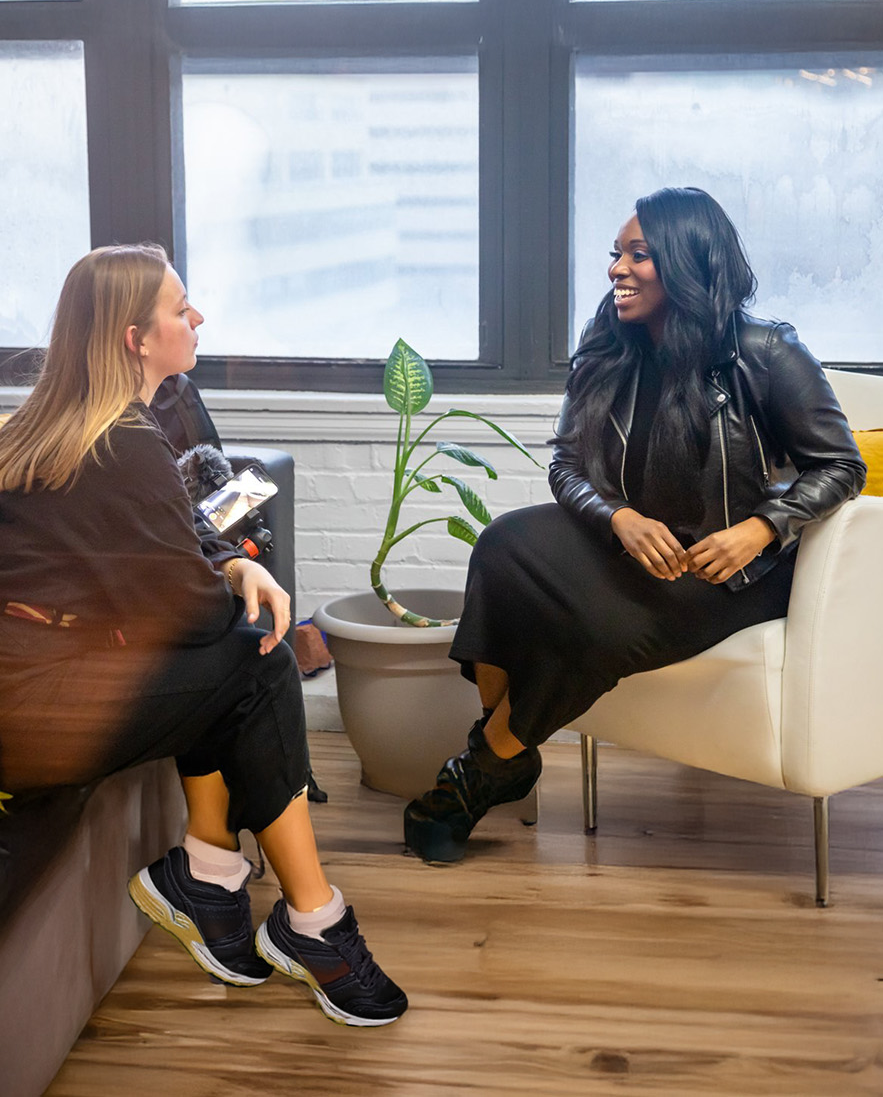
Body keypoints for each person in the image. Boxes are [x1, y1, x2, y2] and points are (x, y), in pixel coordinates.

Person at [0, 243, 406, 1027]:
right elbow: (190, 616)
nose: (198, 318)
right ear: (135, 338)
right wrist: (249, 597)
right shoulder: (119, 442)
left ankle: (216, 876)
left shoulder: (73, 425)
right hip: (36, 715)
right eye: (180, 308)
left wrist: (232, 564)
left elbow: (174, 532)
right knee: (256, 656)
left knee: (245, 652)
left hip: (30, 692)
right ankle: (307, 917)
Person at [403, 186, 866, 864]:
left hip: (727, 568)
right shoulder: (607, 345)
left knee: (597, 627)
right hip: (633, 543)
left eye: (638, 254)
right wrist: (618, 517)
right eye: (616, 253)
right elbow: (566, 465)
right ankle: (504, 747)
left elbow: (841, 465)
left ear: (685, 261)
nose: (616, 268)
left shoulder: (765, 350)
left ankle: (484, 766)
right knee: (502, 546)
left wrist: (762, 527)